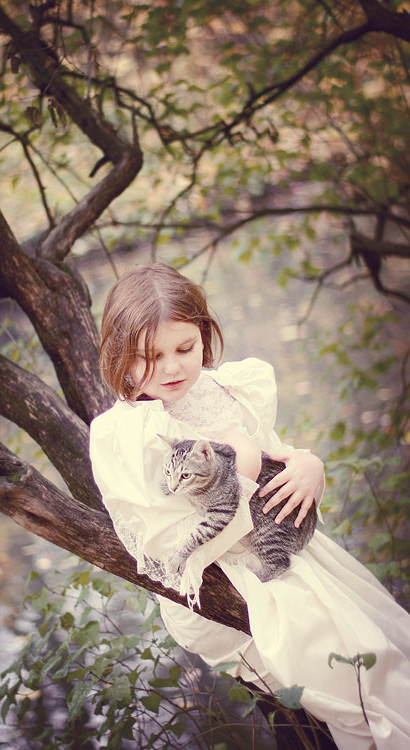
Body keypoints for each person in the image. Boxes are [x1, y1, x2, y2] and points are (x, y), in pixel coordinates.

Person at [89, 263, 410, 750]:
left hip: (279, 551)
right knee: (340, 684)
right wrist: (241, 466)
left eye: (185, 348)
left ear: (203, 335)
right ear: (120, 355)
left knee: (377, 659)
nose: (172, 368)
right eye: (151, 356)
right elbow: (171, 548)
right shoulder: (125, 434)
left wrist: (309, 466)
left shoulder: (227, 389)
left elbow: (275, 465)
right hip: (220, 579)